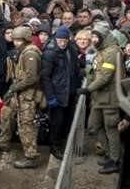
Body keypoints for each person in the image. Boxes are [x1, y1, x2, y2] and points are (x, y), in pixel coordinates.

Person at [0, 25, 44, 169]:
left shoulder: (31, 53)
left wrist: (13, 88)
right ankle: (3, 142)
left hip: (27, 95)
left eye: (19, 40)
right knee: (6, 112)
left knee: (26, 125)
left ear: (26, 39)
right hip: (19, 92)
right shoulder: (23, 51)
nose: (16, 42)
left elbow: (31, 78)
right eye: (15, 40)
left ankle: (31, 156)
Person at [78, 26, 121, 174]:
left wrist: (88, 89)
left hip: (109, 98)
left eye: (97, 37)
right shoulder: (101, 51)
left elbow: (105, 76)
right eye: (93, 37)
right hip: (98, 98)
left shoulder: (112, 52)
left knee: (111, 128)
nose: (94, 40)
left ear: (104, 37)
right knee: (93, 126)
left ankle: (115, 160)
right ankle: (109, 154)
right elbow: (95, 71)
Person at [41, 25, 80, 159]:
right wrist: (50, 97)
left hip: (69, 91)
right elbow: (45, 77)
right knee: (56, 122)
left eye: (65, 40)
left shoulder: (71, 50)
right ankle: (54, 147)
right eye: (60, 40)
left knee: (66, 120)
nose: (62, 43)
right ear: (55, 39)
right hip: (58, 93)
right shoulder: (50, 53)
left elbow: (75, 69)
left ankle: (63, 143)